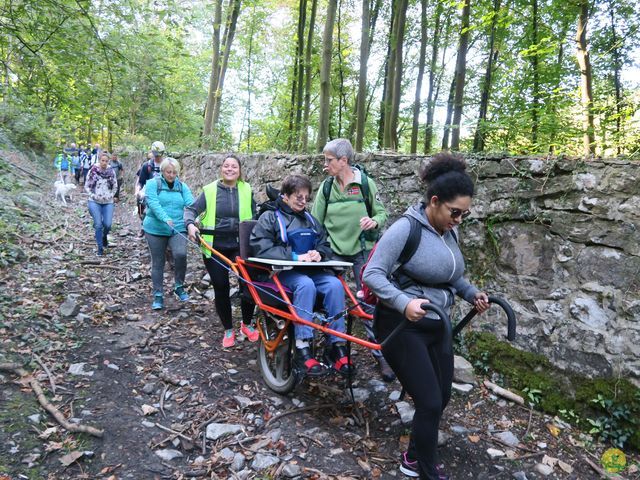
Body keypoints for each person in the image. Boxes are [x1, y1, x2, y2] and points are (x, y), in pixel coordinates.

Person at [363, 153, 490, 480]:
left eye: (465, 214)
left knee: (441, 396)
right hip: (401, 326)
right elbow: (373, 274)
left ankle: (413, 458)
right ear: (434, 201)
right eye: (455, 212)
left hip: (437, 325)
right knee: (430, 401)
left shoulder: (450, 231)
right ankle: (427, 472)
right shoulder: (406, 229)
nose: (459, 219)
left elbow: (451, 275)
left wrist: (471, 292)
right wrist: (403, 302)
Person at [250, 174, 354, 377]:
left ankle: (337, 345)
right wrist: (296, 256)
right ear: (285, 196)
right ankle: (302, 346)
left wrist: (319, 253)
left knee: (335, 285)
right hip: (282, 274)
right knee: (305, 285)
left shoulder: (311, 221)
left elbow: (324, 244)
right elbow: (260, 248)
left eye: (306, 197)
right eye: (298, 196)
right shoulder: (270, 217)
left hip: (311, 272)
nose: (303, 201)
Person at [311, 138, 393, 381]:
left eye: (329, 160)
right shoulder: (326, 188)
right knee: (328, 299)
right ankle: (333, 348)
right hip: (333, 253)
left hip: (361, 252)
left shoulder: (365, 184)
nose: (325, 165)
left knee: (369, 304)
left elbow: (381, 213)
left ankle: (381, 356)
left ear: (343, 160)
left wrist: (374, 221)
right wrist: (318, 250)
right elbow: (316, 222)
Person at [185, 155, 258, 348]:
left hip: (240, 245)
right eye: (226, 166)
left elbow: (256, 215)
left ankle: (247, 324)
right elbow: (191, 210)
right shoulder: (209, 190)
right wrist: (190, 224)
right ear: (221, 169)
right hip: (214, 245)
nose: (230, 169)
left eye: (234, 166)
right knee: (221, 286)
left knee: (247, 285)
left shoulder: (247, 189)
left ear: (240, 171)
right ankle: (228, 329)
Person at [143, 157, 194, 310]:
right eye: (168, 172)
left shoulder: (182, 186)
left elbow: (191, 203)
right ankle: (158, 295)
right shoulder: (153, 184)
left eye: (174, 172)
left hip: (177, 228)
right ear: (162, 171)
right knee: (158, 262)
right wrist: (165, 218)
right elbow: (153, 203)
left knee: (180, 255)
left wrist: (194, 220)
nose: (171, 175)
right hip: (155, 228)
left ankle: (179, 286)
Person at [85, 152, 118, 256]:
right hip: (94, 201)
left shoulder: (111, 171)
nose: (104, 163)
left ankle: (104, 236)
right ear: (99, 160)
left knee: (107, 225)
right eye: (102, 160)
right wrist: (93, 195)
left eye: (106, 161)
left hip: (108, 201)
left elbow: (115, 185)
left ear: (108, 161)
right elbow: (87, 185)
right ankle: (100, 248)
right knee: (98, 224)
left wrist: (111, 195)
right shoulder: (93, 170)